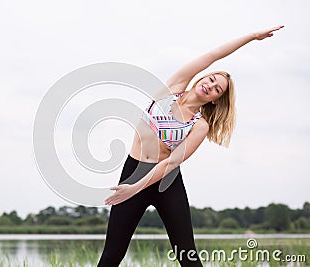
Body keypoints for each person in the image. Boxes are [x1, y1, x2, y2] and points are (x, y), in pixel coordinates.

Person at [97, 25, 284, 267]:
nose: (211, 86)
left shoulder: (200, 125)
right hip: (134, 170)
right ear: (204, 76)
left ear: (216, 99)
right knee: (112, 255)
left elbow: (172, 161)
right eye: (212, 79)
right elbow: (213, 55)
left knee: (187, 255)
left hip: (166, 181)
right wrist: (251, 37)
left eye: (217, 89)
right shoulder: (172, 87)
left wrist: (134, 189)